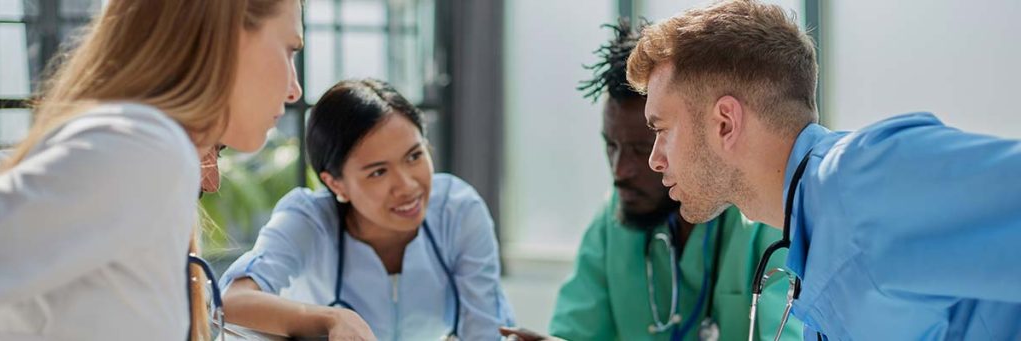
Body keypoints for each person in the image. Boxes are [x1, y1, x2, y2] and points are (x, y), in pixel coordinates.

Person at [626, 0, 1021, 339]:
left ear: (725, 123)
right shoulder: (809, 239)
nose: (655, 159)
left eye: (662, 129)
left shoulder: (865, 179)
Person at [0, 0, 308, 340]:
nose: (295, 89)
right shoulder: (143, 147)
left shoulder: (143, 147)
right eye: (289, 49)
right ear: (225, 38)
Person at [501, 18, 801, 341]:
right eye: (611, 146)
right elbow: (576, 331)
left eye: (643, 145)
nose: (620, 171)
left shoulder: (767, 218)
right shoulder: (614, 221)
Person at [220, 79, 515, 340]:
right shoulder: (308, 219)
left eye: (414, 156)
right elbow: (232, 301)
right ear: (336, 184)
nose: (407, 185)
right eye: (378, 172)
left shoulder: (458, 211)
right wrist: (333, 319)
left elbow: (483, 332)